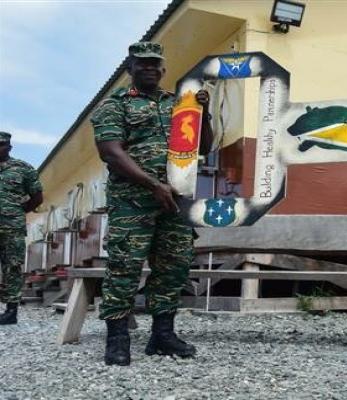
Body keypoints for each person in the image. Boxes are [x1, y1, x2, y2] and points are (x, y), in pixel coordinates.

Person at [90, 41, 213, 366]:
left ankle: (162, 335)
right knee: (124, 268)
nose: (149, 68)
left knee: (173, 267)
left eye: (154, 63)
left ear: (162, 69)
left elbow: (204, 146)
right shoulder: (114, 105)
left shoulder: (178, 104)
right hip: (133, 203)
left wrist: (204, 114)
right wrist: (152, 184)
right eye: (141, 63)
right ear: (129, 68)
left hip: (174, 200)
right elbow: (111, 152)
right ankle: (117, 338)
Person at [0, 131, 43, 325]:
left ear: (9, 147)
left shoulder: (23, 169)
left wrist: (17, 211)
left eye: (1, 145)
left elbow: (37, 197)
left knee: (12, 266)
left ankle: (11, 311)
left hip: (12, 227)